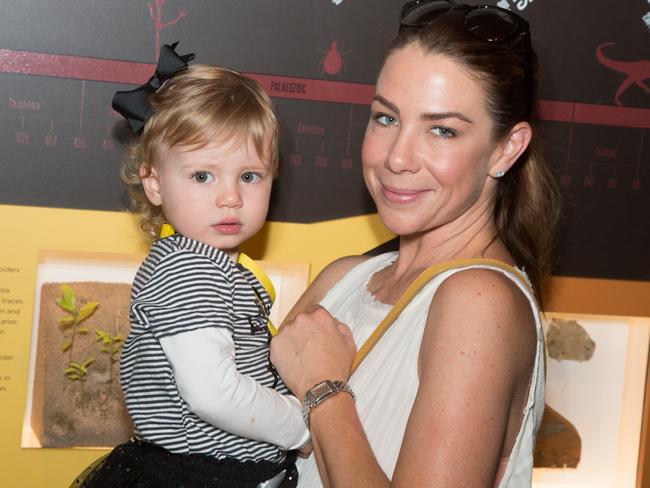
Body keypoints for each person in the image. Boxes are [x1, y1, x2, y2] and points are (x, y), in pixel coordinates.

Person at [270, 1, 562, 487]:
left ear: (506, 148)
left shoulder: (478, 301)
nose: (397, 157)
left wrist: (324, 388)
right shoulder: (345, 277)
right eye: (386, 119)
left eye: (441, 130)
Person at [74, 44, 308, 488]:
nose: (230, 197)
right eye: (203, 175)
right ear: (155, 183)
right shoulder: (188, 268)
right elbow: (212, 393)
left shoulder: (212, 264)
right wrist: (303, 426)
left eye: (249, 176)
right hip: (200, 475)